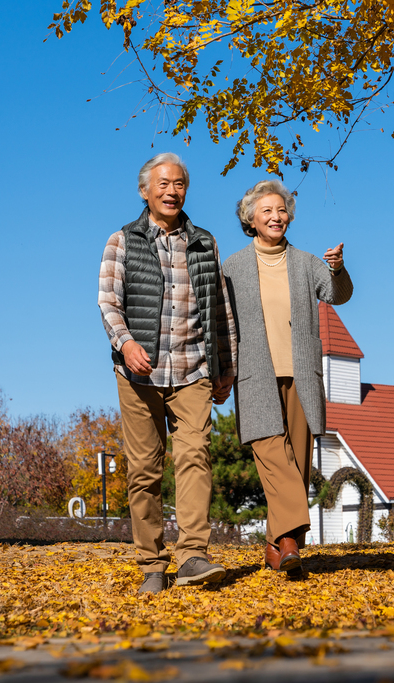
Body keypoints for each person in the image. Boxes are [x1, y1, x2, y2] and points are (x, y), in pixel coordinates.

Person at [98, 152, 237, 594]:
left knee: (195, 455)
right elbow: (108, 302)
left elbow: (220, 310)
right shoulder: (122, 241)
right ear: (145, 191)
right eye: (162, 184)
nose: (171, 190)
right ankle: (153, 564)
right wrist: (127, 343)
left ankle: (193, 554)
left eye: (178, 183)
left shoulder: (205, 243)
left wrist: (226, 364)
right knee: (145, 470)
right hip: (139, 373)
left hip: (193, 367)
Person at [222, 180, 352, 576]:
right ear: (250, 219)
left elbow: (338, 294)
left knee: (296, 462)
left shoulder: (306, 262)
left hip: (301, 374)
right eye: (267, 211)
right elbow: (221, 323)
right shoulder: (231, 268)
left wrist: (338, 268)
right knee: (272, 456)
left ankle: (275, 547)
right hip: (253, 375)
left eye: (281, 211)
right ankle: (292, 541)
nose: (276, 217)